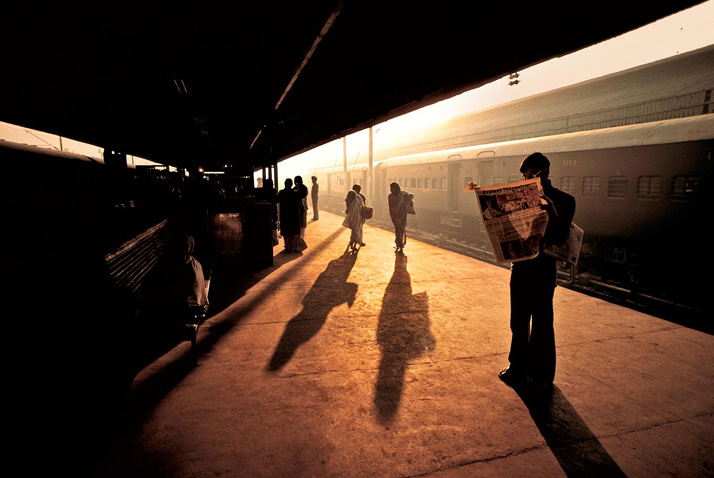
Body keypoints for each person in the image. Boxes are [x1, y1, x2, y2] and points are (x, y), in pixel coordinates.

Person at [498, 152, 576, 391]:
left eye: (531, 175)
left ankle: (542, 373)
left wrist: (550, 211)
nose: (526, 180)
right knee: (518, 321)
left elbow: (561, 236)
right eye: (523, 176)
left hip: (543, 270)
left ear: (545, 173)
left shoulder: (564, 200)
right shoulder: (517, 198)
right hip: (520, 267)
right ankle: (517, 367)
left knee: (542, 322)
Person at [278, 178, 306, 252]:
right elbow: (303, 194)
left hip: (285, 216)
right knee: (293, 233)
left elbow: (276, 200)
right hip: (294, 217)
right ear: (291, 184)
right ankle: (293, 248)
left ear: (285, 184)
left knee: (286, 233)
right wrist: (299, 185)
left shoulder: (281, 193)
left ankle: (287, 247)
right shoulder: (295, 193)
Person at [388, 182, 414, 254]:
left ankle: (400, 245)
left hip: (402, 216)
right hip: (395, 216)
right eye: (391, 188)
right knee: (398, 231)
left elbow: (410, 203)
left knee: (401, 230)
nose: (391, 190)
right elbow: (392, 207)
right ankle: (399, 245)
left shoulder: (402, 195)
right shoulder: (391, 196)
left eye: (393, 188)